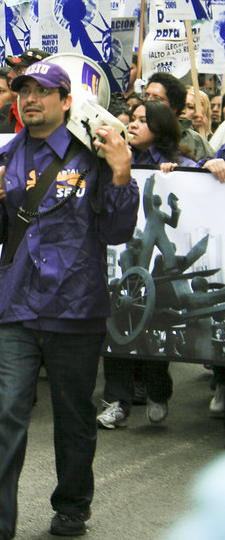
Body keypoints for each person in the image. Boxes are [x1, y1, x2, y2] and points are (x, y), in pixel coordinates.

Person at [0, 61, 137, 540]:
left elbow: (117, 231)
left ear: (67, 101)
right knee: (6, 414)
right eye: (24, 91)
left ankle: (72, 506)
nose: (31, 99)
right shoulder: (2, 157)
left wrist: (122, 176)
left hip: (76, 310)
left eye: (44, 91)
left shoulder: (96, 156)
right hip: (16, 309)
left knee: (74, 415)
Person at [95, 101, 195, 430]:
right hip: (122, 255)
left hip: (156, 265)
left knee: (154, 329)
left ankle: (158, 391)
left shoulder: (179, 163)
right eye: (132, 120)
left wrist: (188, 174)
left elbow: (194, 193)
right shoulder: (109, 158)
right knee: (117, 329)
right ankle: (117, 401)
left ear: (161, 128)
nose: (133, 125)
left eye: (143, 121)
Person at [144, 73, 214, 160]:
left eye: (156, 98)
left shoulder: (194, 140)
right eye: (146, 95)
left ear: (174, 107)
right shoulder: (130, 133)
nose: (148, 101)